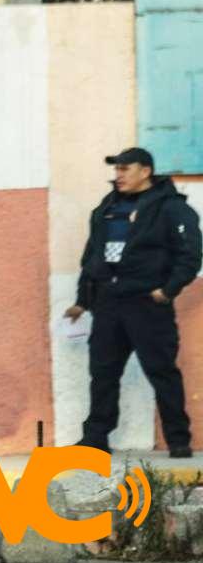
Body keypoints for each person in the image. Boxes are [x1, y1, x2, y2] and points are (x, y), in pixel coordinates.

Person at [66, 148, 201, 458]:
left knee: (162, 371)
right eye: (117, 169)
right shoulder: (106, 208)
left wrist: (167, 291)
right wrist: (82, 301)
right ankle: (95, 438)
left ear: (146, 171)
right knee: (103, 372)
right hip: (109, 304)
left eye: (126, 168)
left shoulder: (171, 208)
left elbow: (190, 255)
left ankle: (178, 440)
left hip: (147, 304)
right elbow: (92, 257)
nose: (120, 175)